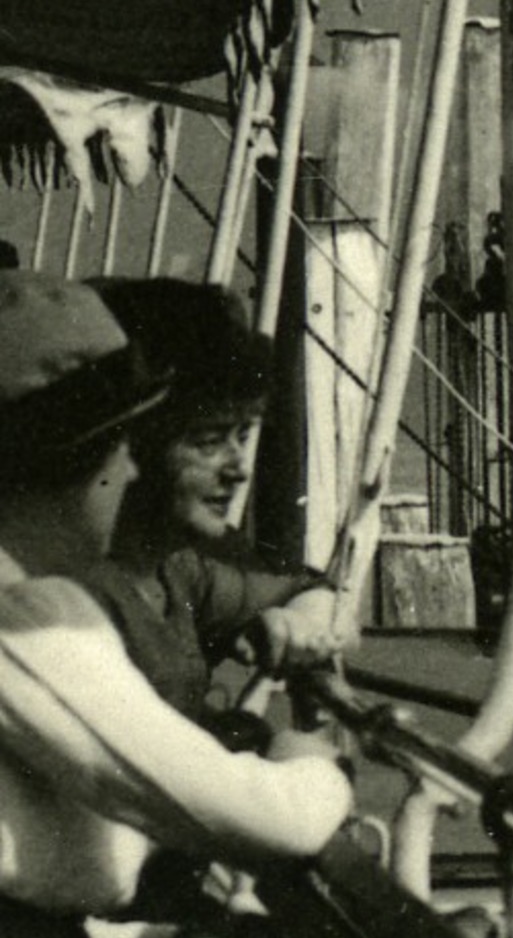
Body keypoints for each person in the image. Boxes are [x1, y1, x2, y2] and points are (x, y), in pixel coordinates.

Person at [0, 271, 353, 938]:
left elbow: (40, 844)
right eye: (119, 447)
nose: (132, 471)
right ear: (64, 462)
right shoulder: (25, 619)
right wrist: (317, 767)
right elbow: (270, 819)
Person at [80, 277, 353, 726]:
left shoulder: (177, 572)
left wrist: (300, 619)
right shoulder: (79, 598)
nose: (239, 468)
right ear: (129, 447)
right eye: (208, 442)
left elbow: (310, 588)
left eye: (241, 436)